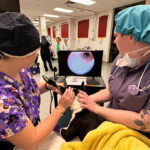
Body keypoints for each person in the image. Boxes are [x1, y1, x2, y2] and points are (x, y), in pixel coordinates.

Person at [0, 12, 75, 150]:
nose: (37, 55)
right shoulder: (2, 100)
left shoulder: (21, 68)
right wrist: (61, 107)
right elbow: (31, 140)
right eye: (34, 52)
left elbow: (27, 91)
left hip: (31, 126)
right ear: (18, 55)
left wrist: (47, 86)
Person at [77, 5, 150, 139]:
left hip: (135, 136)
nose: (114, 41)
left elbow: (145, 122)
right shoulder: (121, 59)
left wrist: (98, 109)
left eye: (116, 36)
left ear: (131, 37)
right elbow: (111, 91)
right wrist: (88, 99)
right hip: (109, 124)